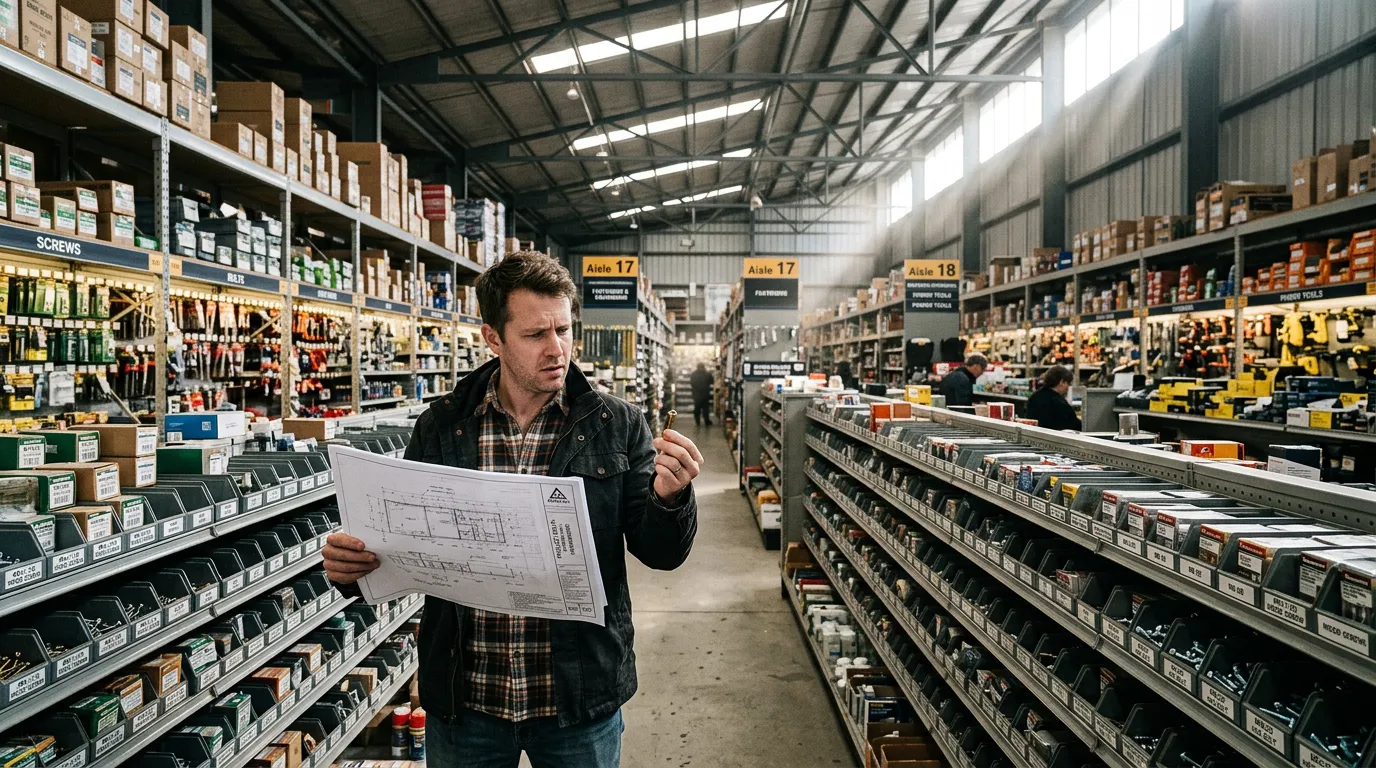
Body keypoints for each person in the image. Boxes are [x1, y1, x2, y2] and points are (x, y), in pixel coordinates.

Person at [323, 251, 702, 768]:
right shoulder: (443, 426)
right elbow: (400, 545)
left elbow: (660, 553)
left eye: (564, 330)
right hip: (469, 699)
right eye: (535, 335)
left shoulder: (617, 425)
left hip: (577, 698)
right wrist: (351, 568)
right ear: (492, 338)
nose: (557, 349)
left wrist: (671, 498)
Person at [1026, 364, 1082, 430]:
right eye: (1068, 384)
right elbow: (1075, 425)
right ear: (1061, 382)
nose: (1068, 388)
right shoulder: (1060, 403)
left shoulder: (1034, 397)